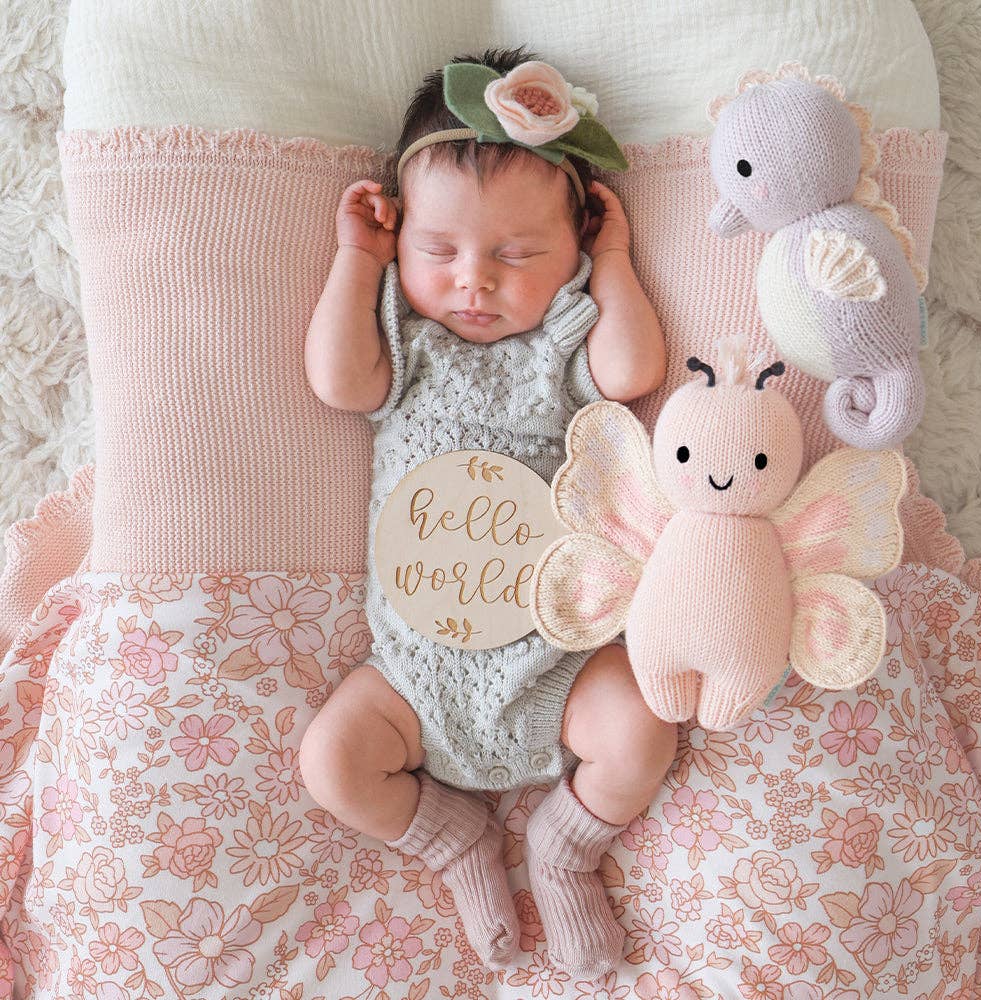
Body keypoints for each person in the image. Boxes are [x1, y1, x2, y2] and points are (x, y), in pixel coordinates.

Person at [299, 48, 676, 978]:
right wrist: (360, 259)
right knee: (332, 763)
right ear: (404, 240)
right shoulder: (407, 340)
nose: (475, 280)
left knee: (643, 728)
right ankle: (455, 841)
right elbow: (339, 382)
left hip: (560, 664)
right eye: (441, 251)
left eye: (517, 254)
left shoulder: (563, 339)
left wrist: (616, 261)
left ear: (575, 246)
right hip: (413, 677)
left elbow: (633, 375)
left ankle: (563, 846)